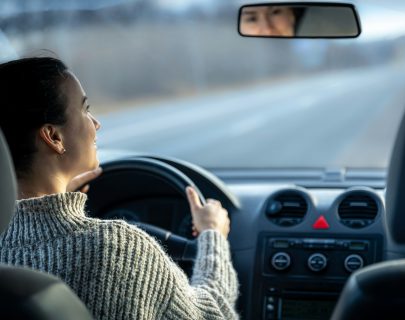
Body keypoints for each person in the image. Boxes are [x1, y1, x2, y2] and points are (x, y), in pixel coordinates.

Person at [0, 57, 239, 319]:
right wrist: (213, 236)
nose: (96, 123)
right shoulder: (117, 248)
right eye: (85, 109)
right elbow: (214, 314)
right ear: (54, 137)